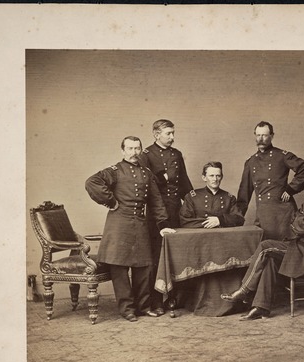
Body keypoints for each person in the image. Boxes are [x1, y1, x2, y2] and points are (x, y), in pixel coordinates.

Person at [221, 159, 304, 320]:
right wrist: (300, 221)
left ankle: (244, 290)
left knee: (265, 246)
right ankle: (261, 307)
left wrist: (300, 222)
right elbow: (296, 218)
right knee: (269, 259)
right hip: (300, 245)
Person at [85, 136, 176, 322]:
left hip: (140, 225)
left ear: (141, 150)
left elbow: (156, 200)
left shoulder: (146, 173)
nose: (134, 152)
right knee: (119, 268)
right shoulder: (114, 171)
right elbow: (91, 182)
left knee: (144, 267)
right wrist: (110, 201)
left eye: (137, 148)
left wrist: (163, 225)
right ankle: (127, 309)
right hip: (118, 224)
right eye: (130, 148)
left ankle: (143, 307)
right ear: (123, 151)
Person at [140, 119, 193, 313]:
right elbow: (145, 186)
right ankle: (155, 301)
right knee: (156, 256)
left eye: (173, 133)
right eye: (168, 133)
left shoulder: (176, 154)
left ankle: (174, 298)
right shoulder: (146, 155)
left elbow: (185, 184)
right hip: (155, 213)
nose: (172, 137)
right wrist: (161, 179)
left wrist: (192, 205)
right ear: (156, 134)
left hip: (175, 211)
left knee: (176, 254)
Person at [237, 121, 304, 240]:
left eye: (265, 135)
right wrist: (237, 218)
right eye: (258, 135)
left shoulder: (282, 155)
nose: (261, 139)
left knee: (286, 249)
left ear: (272, 136)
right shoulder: (251, 162)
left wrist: (290, 189)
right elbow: (244, 194)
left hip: (283, 214)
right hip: (263, 214)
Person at [179, 161, 245, 228]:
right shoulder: (192, 197)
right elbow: (184, 221)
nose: (215, 179)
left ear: (221, 177)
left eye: (218, 176)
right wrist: (211, 223)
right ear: (204, 177)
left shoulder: (229, 198)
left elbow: (239, 219)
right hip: (199, 236)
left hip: (222, 236)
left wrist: (220, 220)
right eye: (211, 176)